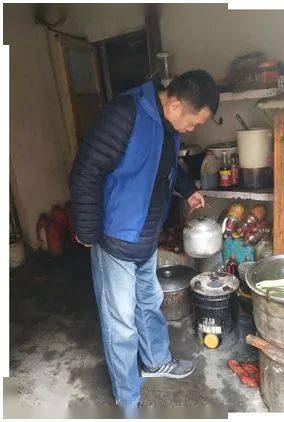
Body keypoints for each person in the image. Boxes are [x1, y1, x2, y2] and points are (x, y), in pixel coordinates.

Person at [68, 70, 219, 409]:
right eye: (193, 123)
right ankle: (128, 398)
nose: (192, 129)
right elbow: (86, 172)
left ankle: (155, 361)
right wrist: (88, 231)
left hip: (146, 238)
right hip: (115, 240)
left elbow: (165, 167)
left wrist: (189, 190)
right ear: (176, 103)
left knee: (149, 305)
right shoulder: (124, 115)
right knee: (120, 324)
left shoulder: (168, 126)